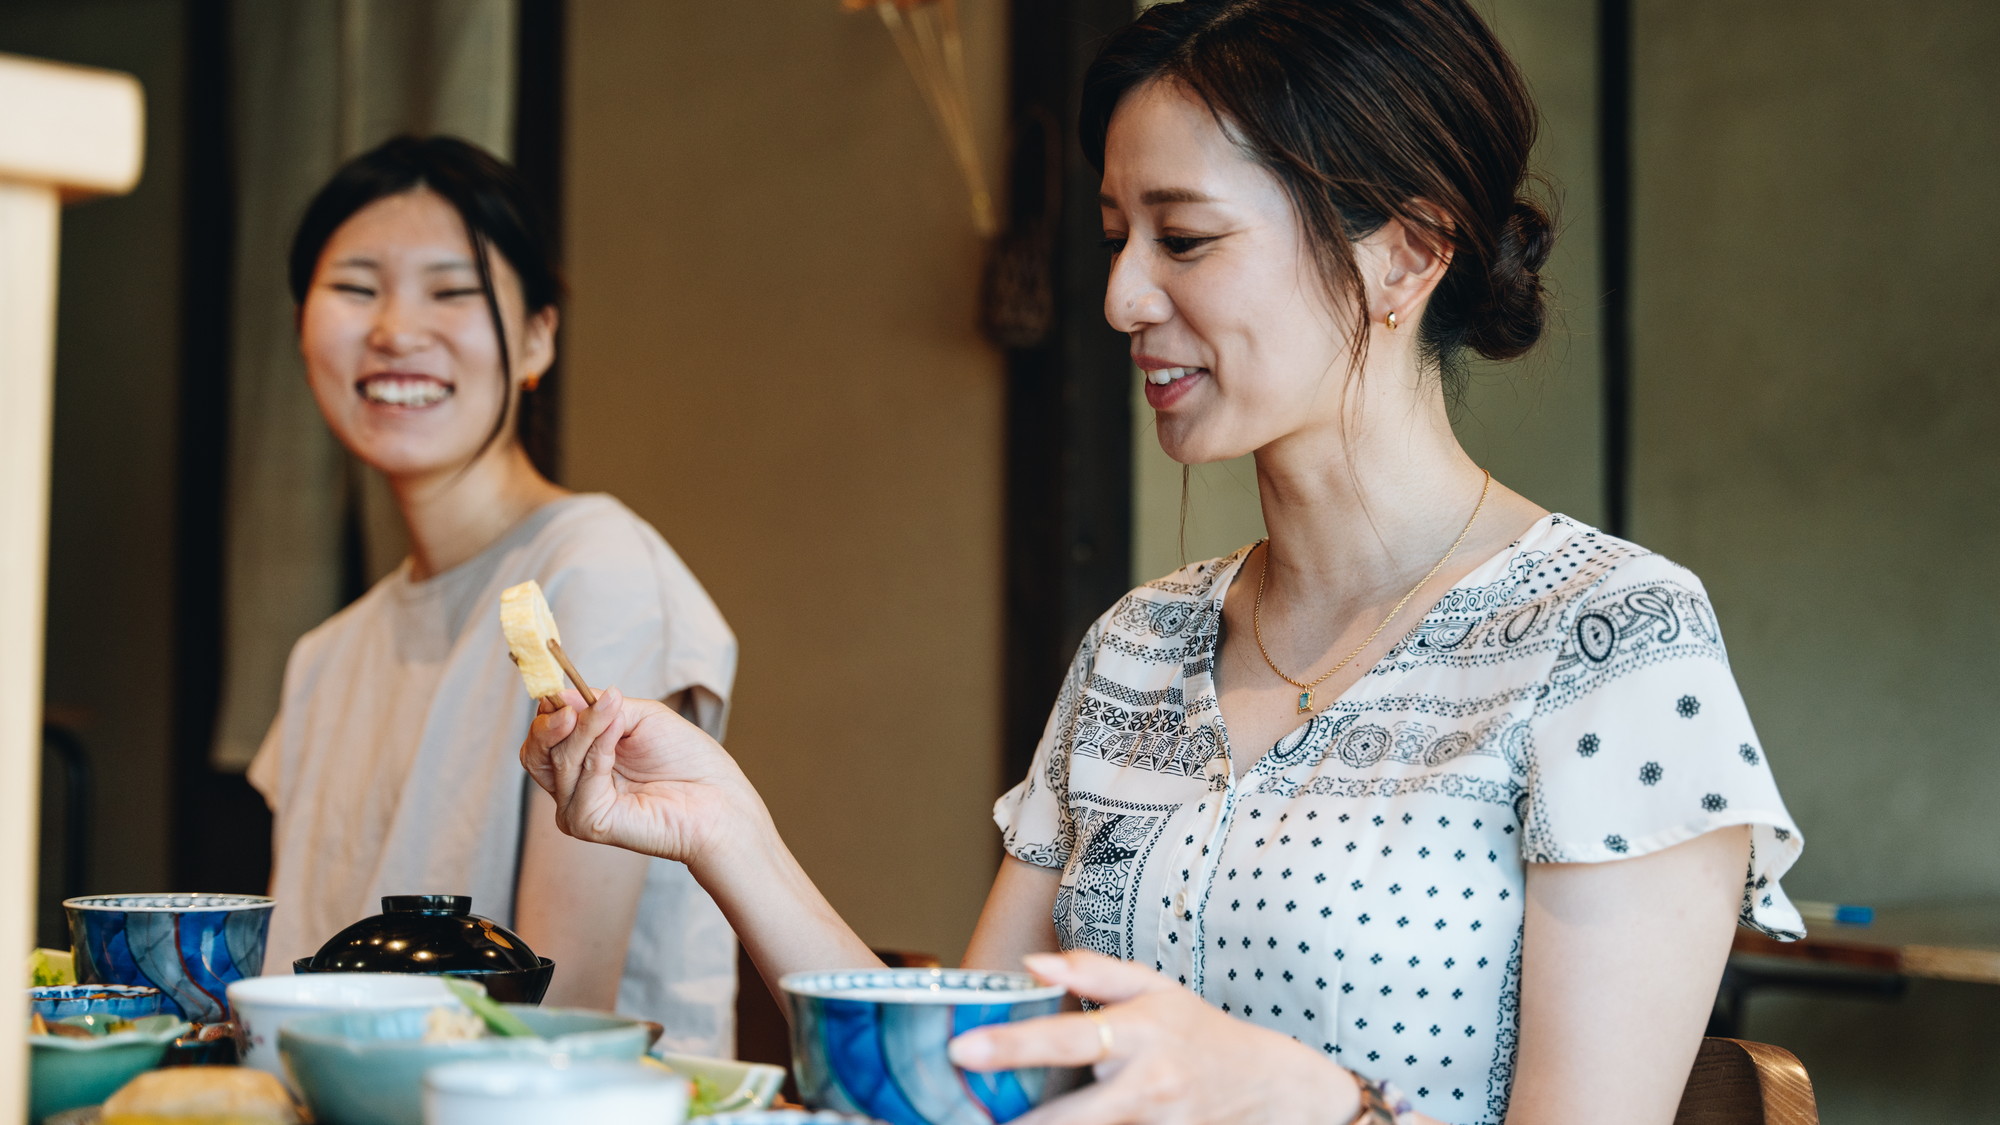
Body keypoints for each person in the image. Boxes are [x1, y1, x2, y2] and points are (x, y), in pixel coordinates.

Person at [520, 0, 1803, 1120]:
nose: (1122, 297)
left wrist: (1315, 1105)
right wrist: (726, 832)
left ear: (1405, 250)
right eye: (1114, 235)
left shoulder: (1609, 643)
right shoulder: (1139, 644)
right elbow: (973, 1085)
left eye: (1183, 240)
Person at [247, 136, 739, 1054]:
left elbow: (561, 1011)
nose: (395, 329)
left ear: (538, 338)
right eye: (357, 288)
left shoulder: (593, 569)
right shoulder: (325, 655)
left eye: (451, 290)